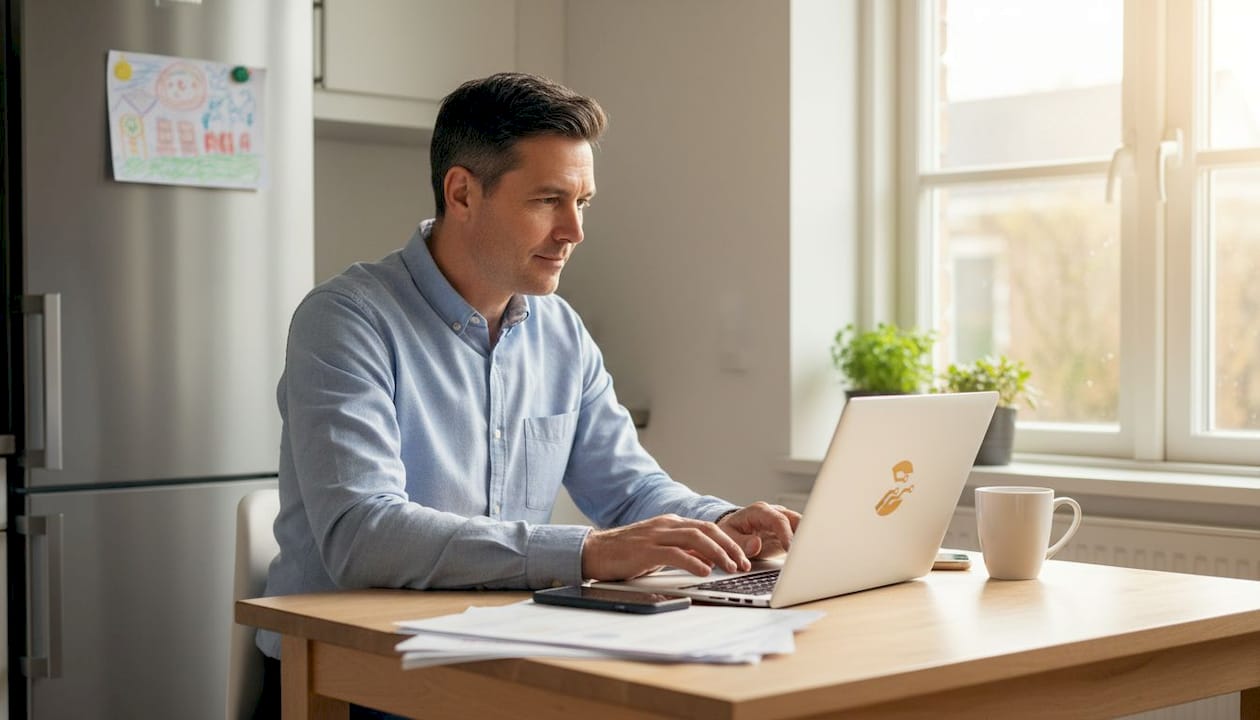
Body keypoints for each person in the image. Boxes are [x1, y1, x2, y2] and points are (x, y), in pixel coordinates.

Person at [253, 72, 800, 718]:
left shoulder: (560, 331)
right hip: (354, 677)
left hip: (498, 658)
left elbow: (629, 491)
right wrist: (588, 552)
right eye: (548, 200)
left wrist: (719, 524)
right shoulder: (347, 321)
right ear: (462, 193)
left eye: (583, 202)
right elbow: (363, 536)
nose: (575, 230)